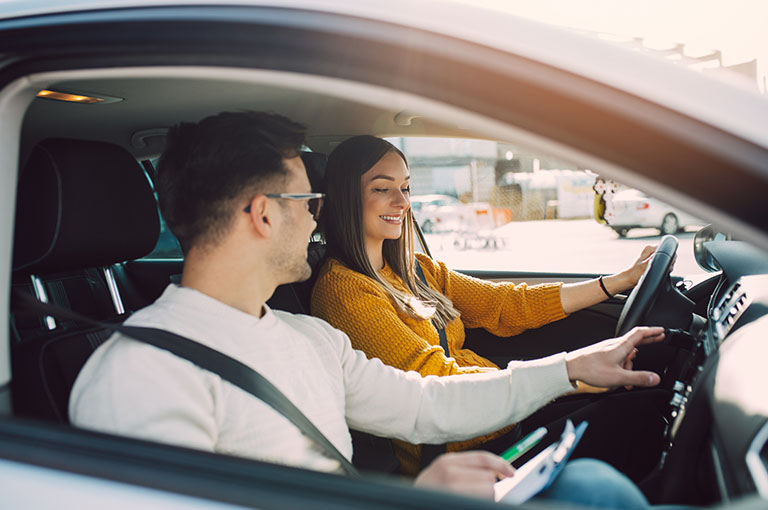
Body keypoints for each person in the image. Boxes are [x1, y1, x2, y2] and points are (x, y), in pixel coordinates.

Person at [69, 111, 664, 507]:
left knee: (591, 486)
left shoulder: (308, 339)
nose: (316, 216)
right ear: (263, 213)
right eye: (307, 200)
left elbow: (425, 401)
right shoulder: (138, 377)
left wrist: (570, 369)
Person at [310, 135, 664, 478]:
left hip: (497, 421)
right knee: (637, 416)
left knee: (645, 403)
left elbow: (507, 305)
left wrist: (616, 282)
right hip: (458, 453)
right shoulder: (345, 290)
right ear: (346, 197)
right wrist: (568, 379)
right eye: (382, 188)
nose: (402, 202)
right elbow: (435, 384)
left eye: (406, 187)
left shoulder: (417, 268)